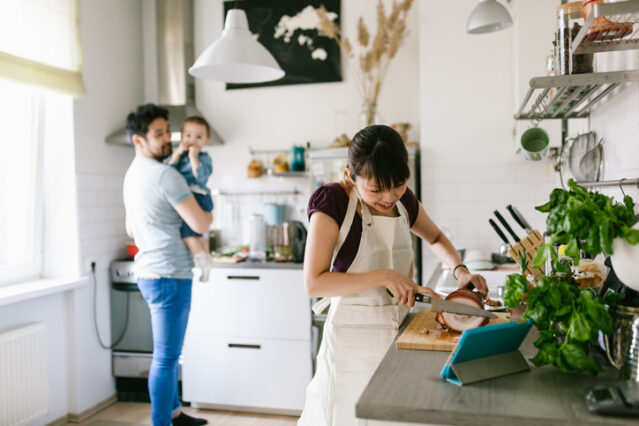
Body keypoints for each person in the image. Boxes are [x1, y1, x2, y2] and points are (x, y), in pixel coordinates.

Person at [298, 125, 488, 425]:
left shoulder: (404, 202)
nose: (388, 196)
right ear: (351, 176)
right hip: (350, 344)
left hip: (400, 332)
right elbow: (314, 283)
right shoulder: (332, 201)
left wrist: (460, 269)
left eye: (398, 184)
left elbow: (436, 237)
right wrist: (384, 276)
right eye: (375, 189)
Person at [123, 104, 211, 426]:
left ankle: (174, 413)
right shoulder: (165, 175)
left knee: (168, 352)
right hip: (169, 276)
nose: (166, 140)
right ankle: (162, 422)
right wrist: (209, 214)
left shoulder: (132, 175)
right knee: (166, 357)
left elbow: (130, 230)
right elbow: (200, 224)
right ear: (138, 140)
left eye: (166, 131)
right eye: (157, 134)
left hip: (150, 272)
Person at [166, 116, 215, 282]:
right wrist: (177, 153)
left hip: (198, 197)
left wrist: (194, 158)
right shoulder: (179, 158)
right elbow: (167, 172)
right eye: (188, 136)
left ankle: (202, 259)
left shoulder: (205, 159)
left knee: (188, 234)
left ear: (206, 141)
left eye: (198, 137)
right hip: (191, 198)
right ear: (181, 138)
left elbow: (201, 178)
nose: (192, 140)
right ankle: (206, 263)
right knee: (200, 236)